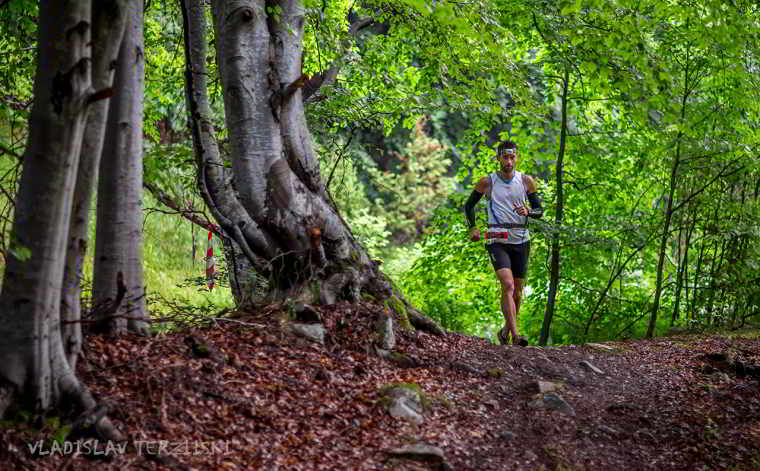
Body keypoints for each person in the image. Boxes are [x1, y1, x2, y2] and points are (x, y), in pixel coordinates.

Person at [464, 140, 543, 346]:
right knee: (507, 285)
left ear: (517, 157)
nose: (509, 161)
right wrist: (473, 227)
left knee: (517, 291)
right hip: (496, 238)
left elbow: (539, 210)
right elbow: (469, 205)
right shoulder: (487, 182)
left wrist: (529, 212)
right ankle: (516, 336)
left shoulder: (526, 181)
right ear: (498, 158)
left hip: (521, 239)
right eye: (505, 157)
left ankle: (505, 331)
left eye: (512, 157)